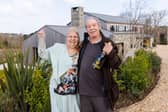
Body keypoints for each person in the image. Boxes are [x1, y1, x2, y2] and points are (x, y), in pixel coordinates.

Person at [78, 17, 121, 112]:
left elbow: (116, 64)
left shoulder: (107, 43)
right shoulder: (84, 44)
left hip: (101, 94)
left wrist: (111, 53)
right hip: (84, 94)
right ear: (86, 29)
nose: (91, 28)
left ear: (99, 26)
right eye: (89, 26)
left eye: (94, 25)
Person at [37, 28, 80, 112]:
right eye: (70, 36)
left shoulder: (81, 51)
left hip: (73, 89)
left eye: (75, 37)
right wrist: (41, 39)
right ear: (66, 38)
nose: (72, 39)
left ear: (78, 39)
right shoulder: (57, 48)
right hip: (58, 86)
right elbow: (42, 54)